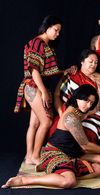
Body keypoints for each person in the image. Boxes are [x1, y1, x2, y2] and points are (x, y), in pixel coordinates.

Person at [2, 84, 100, 189]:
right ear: (78, 97)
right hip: (55, 153)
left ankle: (60, 171)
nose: (88, 105)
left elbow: (97, 106)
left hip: (71, 153)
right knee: (69, 181)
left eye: (91, 102)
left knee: (98, 169)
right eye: (86, 100)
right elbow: (85, 146)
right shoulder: (71, 118)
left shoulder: (80, 110)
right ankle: (26, 180)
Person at [13, 15, 63, 165]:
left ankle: (29, 157)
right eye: (56, 30)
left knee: (34, 124)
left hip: (36, 86)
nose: (57, 33)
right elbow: (34, 70)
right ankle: (35, 156)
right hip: (34, 86)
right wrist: (44, 92)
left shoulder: (45, 45)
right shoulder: (37, 43)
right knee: (46, 121)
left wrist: (64, 71)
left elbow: (48, 71)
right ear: (47, 27)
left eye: (59, 31)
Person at [51, 49, 100, 143]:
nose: (93, 65)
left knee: (87, 131)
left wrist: (83, 115)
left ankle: (83, 154)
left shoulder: (99, 79)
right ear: (82, 62)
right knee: (56, 126)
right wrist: (61, 114)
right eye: (90, 62)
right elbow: (57, 95)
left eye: (96, 62)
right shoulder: (72, 74)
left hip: (93, 111)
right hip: (69, 110)